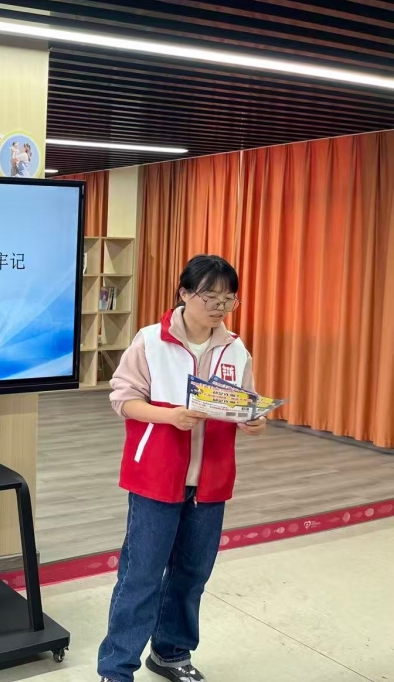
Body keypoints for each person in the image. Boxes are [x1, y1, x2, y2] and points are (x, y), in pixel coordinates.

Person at [98, 255, 266, 682]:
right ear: (184, 293)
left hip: (211, 479)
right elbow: (123, 399)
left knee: (192, 575)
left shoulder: (236, 349)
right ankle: (116, 668)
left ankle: (171, 654)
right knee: (141, 575)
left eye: (229, 299)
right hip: (156, 475)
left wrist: (253, 420)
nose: (220, 307)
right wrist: (168, 416)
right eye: (211, 297)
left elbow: (246, 403)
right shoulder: (150, 341)